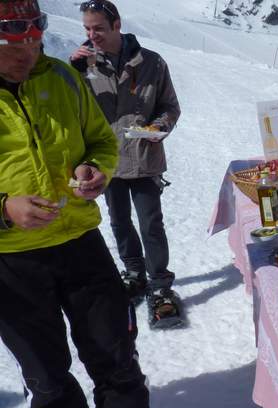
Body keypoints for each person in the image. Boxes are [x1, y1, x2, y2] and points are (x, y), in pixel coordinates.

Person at [0, 0, 154, 408]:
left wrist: (95, 168)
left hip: (80, 242)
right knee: (47, 380)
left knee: (118, 361)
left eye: (34, 41)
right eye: (14, 46)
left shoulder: (62, 76)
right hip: (12, 263)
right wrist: (5, 208)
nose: (28, 53)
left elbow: (101, 141)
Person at [70, 0, 183, 329]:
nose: (93, 35)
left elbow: (169, 106)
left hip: (145, 158)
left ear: (117, 25)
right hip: (107, 161)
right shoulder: (84, 66)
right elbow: (71, 110)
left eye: (99, 29)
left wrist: (160, 127)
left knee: (151, 224)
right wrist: (74, 72)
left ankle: (160, 285)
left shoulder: (151, 63)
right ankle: (134, 274)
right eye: (87, 29)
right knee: (119, 222)